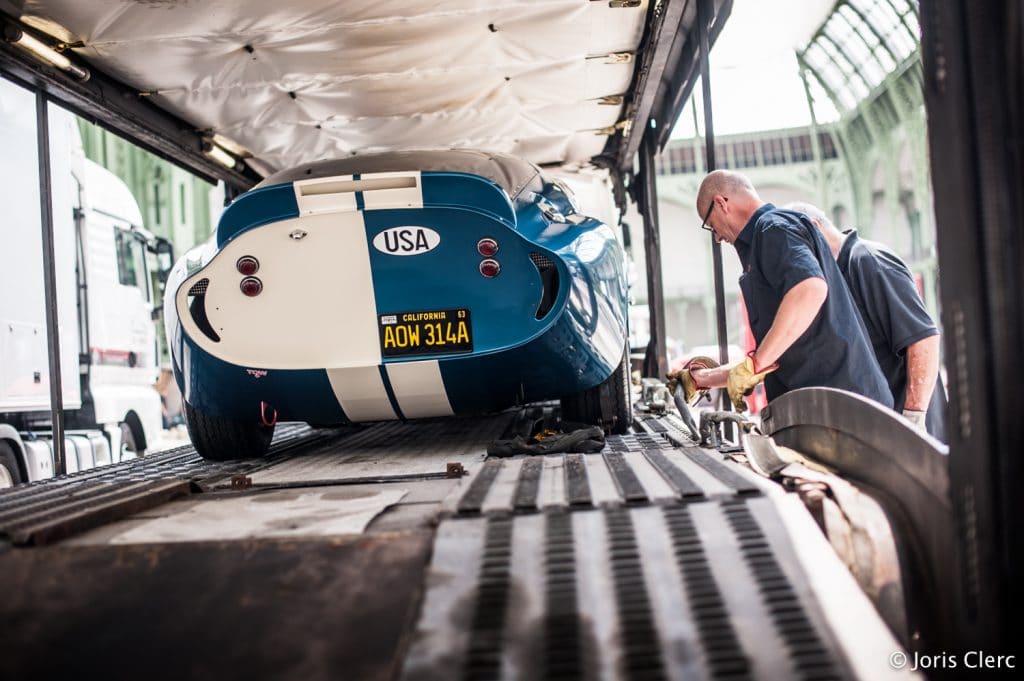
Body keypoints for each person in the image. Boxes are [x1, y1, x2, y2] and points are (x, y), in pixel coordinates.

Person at [669, 170, 893, 411]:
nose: (717, 238)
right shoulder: (766, 238)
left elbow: (810, 289)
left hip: (843, 407)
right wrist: (701, 379)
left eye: (711, 226)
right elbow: (771, 357)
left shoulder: (772, 229)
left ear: (721, 203)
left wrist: (754, 365)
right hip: (831, 404)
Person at [784, 202, 946, 441]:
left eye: (798, 249)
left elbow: (924, 340)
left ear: (815, 229)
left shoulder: (868, 261)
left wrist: (912, 420)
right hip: (884, 429)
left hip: (911, 429)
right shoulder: (837, 275)